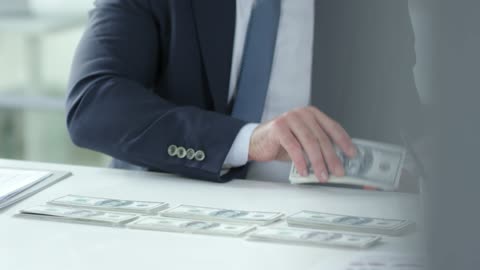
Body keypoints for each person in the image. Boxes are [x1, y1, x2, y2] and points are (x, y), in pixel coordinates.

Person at [66, 0, 422, 183]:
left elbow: (401, 122)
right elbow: (93, 104)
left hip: (313, 225)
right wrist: (247, 140)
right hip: (171, 206)